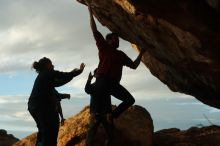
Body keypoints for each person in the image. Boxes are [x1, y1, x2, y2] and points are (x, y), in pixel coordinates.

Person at [87, 4, 146, 121]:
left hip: (112, 84)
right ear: (108, 40)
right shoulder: (104, 47)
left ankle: (111, 116)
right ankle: (103, 118)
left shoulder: (121, 55)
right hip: (102, 81)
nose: (117, 40)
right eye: (115, 38)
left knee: (130, 100)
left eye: (118, 39)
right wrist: (90, 12)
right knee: (99, 113)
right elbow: (94, 30)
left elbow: (134, 66)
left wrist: (141, 53)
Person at [28, 57, 85, 146]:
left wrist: (72, 75)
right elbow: (62, 75)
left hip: (34, 107)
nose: (53, 65)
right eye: (51, 64)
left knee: (43, 131)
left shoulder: (44, 76)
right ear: (46, 65)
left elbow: (59, 82)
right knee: (50, 131)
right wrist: (78, 72)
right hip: (41, 108)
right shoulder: (47, 73)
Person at [85, 70, 113, 146]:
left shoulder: (96, 86)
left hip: (98, 113)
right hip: (102, 113)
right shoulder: (105, 85)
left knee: (92, 133)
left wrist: (89, 80)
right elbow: (87, 90)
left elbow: (87, 90)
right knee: (109, 134)